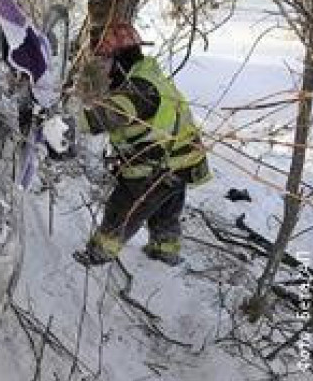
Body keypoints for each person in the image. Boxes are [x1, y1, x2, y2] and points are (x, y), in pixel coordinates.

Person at [73, 22, 211, 267]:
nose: (102, 69)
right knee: (165, 209)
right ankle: (165, 248)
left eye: (104, 62)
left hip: (158, 165)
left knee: (122, 208)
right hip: (183, 159)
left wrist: (68, 122)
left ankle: (99, 253)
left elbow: (110, 115)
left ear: (119, 59)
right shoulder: (146, 74)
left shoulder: (138, 88)